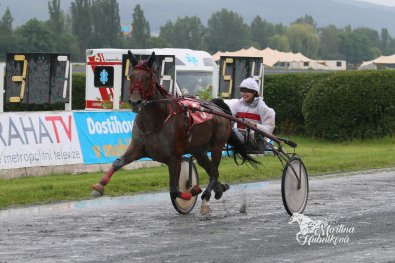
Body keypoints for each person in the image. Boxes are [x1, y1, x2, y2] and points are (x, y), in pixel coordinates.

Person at [229, 77, 275, 152]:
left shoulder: (263, 108)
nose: (243, 94)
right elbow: (229, 122)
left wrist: (256, 126)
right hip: (242, 137)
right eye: (242, 91)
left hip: (257, 140)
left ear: (254, 92)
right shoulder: (236, 105)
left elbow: (268, 131)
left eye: (246, 91)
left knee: (253, 134)